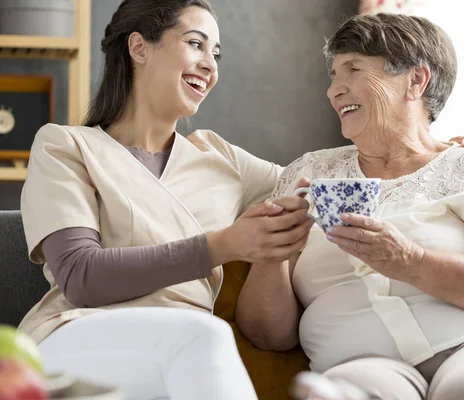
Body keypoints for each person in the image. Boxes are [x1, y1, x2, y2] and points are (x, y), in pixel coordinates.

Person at [236, 13, 464, 400]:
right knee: (349, 394)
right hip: (365, 363)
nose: (334, 91)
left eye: (354, 69)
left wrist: (411, 261)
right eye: (334, 75)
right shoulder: (309, 173)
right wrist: (271, 254)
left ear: (416, 80)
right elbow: (268, 335)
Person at [18, 1, 315, 399]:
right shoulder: (66, 146)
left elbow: (318, 181)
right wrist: (225, 244)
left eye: (216, 53)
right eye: (196, 44)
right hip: (74, 336)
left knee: (198, 339)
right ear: (140, 48)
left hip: (182, 358)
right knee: (204, 334)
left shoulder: (223, 160)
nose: (211, 65)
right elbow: (81, 276)